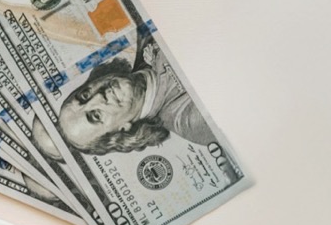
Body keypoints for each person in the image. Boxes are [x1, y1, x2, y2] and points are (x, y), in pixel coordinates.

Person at [33, 38, 216, 160]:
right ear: (122, 130)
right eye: (95, 115)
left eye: (84, 96)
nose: (98, 96)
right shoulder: (189, 119)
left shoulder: (140, 39)